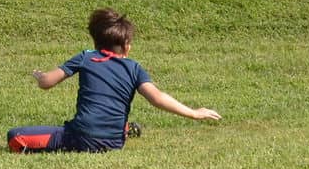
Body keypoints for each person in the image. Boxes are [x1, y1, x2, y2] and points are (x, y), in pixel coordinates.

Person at [23, 8, 220, 152]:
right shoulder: (134, 68)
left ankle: (120, 129)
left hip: (81, 139)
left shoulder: (86, 57)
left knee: (16, 138)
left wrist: (40, 76)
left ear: (96, 41)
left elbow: (47, 82)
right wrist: (194, 113)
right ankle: (125, 129)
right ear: (126, 47)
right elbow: (157, 98)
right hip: (115, 143)